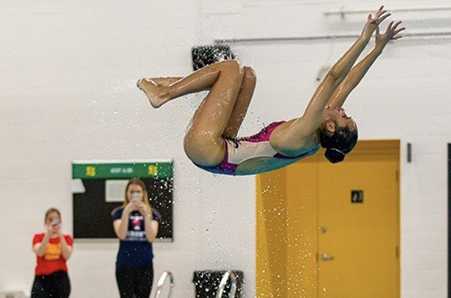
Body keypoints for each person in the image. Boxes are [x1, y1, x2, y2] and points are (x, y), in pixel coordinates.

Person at [138, 6, 404, 174]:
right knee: (247, 77)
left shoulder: (305, 130)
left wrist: (364, 37)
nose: (343, 109)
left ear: (332, 127)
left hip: (207, 149)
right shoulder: (316, 135)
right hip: (224, 146)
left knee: (230, 68)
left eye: (345, 116)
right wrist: (377, 50)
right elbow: (348, 83)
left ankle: (165, 94)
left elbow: (334, 77)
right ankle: (175, 83)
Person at [112, 179, 160, 298]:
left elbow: (151, 236)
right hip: (125, 266)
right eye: (131, 192)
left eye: (138, 192)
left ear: (143, 194)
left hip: (145, 267)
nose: (135, 195)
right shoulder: (118, 213)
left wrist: (145, 214)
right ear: (127, 193)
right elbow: (122, 234)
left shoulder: (152, 213)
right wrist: (127, 212)